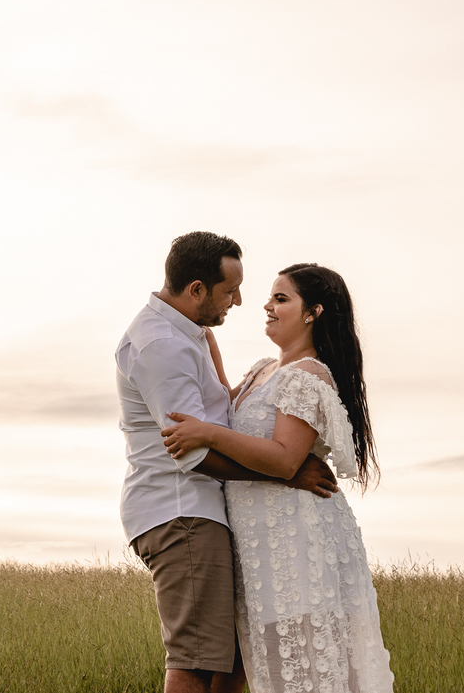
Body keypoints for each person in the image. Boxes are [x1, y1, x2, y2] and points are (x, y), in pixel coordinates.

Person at [117, 235, 341, 693]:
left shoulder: (189, 334)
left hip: (203, 512)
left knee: (232, 657)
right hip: (182, 510)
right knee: (196, 658)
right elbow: (193, 451)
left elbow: (220, 407)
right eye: (229, 290)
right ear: (196, 289)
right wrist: (289, 473)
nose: (239, 301)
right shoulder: (163, 346)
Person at [162, 263, 395, 693]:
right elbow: (219, 402)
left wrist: (209, 433)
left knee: (304, 668)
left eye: (281, 298)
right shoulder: (262, 370)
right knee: (269, 668)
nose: (267, 306)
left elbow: (287, 459)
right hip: (260, 539)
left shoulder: (308, 375)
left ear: (313, 313)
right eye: (272, 297)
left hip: (295, 535)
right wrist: (199, 331)